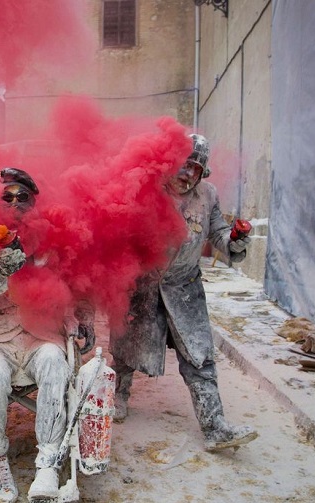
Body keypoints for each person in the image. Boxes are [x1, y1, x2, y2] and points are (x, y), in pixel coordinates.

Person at [110, 133, 258, 452]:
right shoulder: (148, 189)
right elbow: (119, 228)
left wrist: (234, 242)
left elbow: (217, 232)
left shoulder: (208, 196)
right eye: (184, 164)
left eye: (196, 167)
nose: (188, 173)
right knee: (125, 348)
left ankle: (214, 426)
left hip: (185, 288)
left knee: (200, 356)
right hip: (142, 287)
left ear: (203, 173)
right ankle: (118, 397)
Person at [0, 168, 96, 503]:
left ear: (33, 202)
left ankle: (48, 464)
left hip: (41, 335)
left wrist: (85, 320)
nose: (14, 202)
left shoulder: (51, 240)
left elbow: (75, 285)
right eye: (6, 197)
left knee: (56, 362)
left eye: (21, 196)